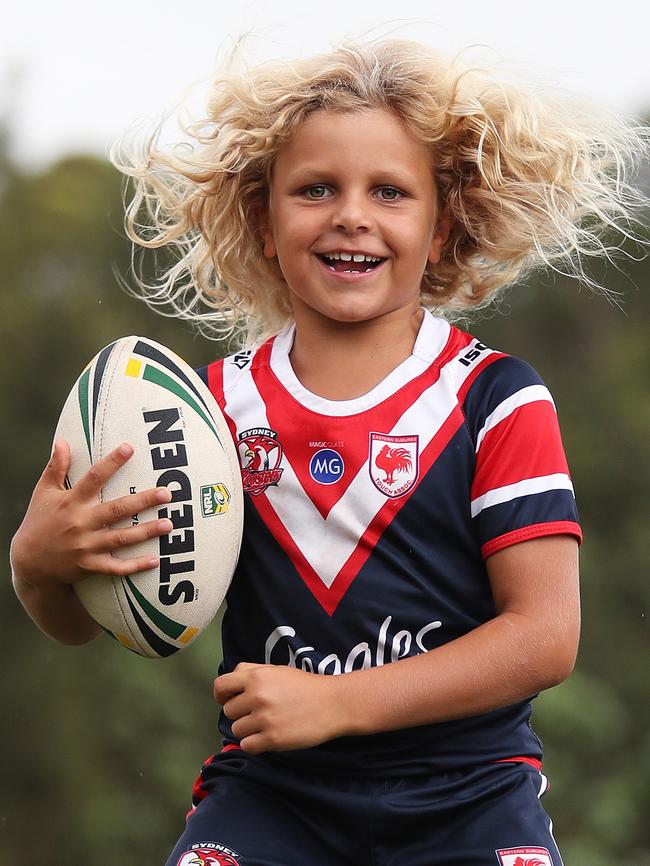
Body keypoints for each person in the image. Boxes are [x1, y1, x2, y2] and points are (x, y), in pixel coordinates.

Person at [10, 39, 648, 866]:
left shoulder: (497, 399)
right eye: (316, 189)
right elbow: (109, 624)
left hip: (470, 799)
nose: (352, 214)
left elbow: (545, 637)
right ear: (265, 223)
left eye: (389, 191)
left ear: (440, 225)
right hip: (273, 800)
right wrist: (40, 566)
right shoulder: (203, 412)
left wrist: (339, 701)